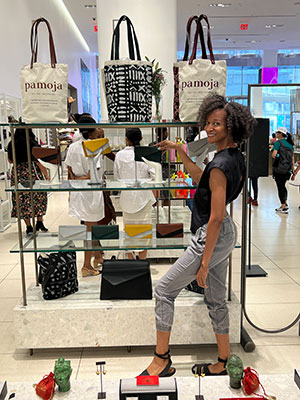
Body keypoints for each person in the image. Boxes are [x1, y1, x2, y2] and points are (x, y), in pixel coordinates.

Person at [139, 94, 255, 377]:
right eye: (208, 123)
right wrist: (180, 151)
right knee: (215, 298)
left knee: (164, 290)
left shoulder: (219, 165)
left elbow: (214, 217)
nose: (210, 129)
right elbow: (200, 178)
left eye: (217, 124)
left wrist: (203, 262)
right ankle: (224, 361)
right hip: (225, 233)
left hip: (211, 234)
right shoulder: (232, 158)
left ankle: (161, 358)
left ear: (231, 126)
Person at [65, 115, 114, 277]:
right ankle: (87, 265)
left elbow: (70, 172)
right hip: (91, 195)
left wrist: (76, 182)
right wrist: (83, 178)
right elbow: (92, 175)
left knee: (88, 229)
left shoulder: (72, 147)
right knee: (90, 230)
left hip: (79, 193)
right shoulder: (94, 147)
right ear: (93, 130)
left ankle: (96, 256)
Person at [114, 128, 156, 260]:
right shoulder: (148, 153)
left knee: (129, 231)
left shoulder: (120, 155)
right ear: (141, 138)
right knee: (144, 233)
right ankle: (143, 263)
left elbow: (117, 178)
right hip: (144, 198)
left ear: (126, 139)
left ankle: (131, 264)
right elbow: (155, 176)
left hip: (127, 198)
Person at [7, 128, 48, 236]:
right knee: (38, 196)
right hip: (33, 171)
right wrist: (46, 174)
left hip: (18, 173)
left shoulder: (12, 144)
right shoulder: (33, 143)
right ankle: (40, 222)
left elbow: (10, 160)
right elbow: (39, 161)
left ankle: (29, 227)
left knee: (22, 199)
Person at [272, 127, 294, 214]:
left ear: (281, 134)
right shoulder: (290, 144)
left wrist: (279, 158)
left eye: (277, 132)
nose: (276, 134)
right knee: (283, 186)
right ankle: (285, 203)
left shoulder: (278, 143)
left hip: (279, 169)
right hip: (287, 170)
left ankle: (283, 206)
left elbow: (274, 155)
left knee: (280, 187)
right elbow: (292, 159)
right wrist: (292, 170)